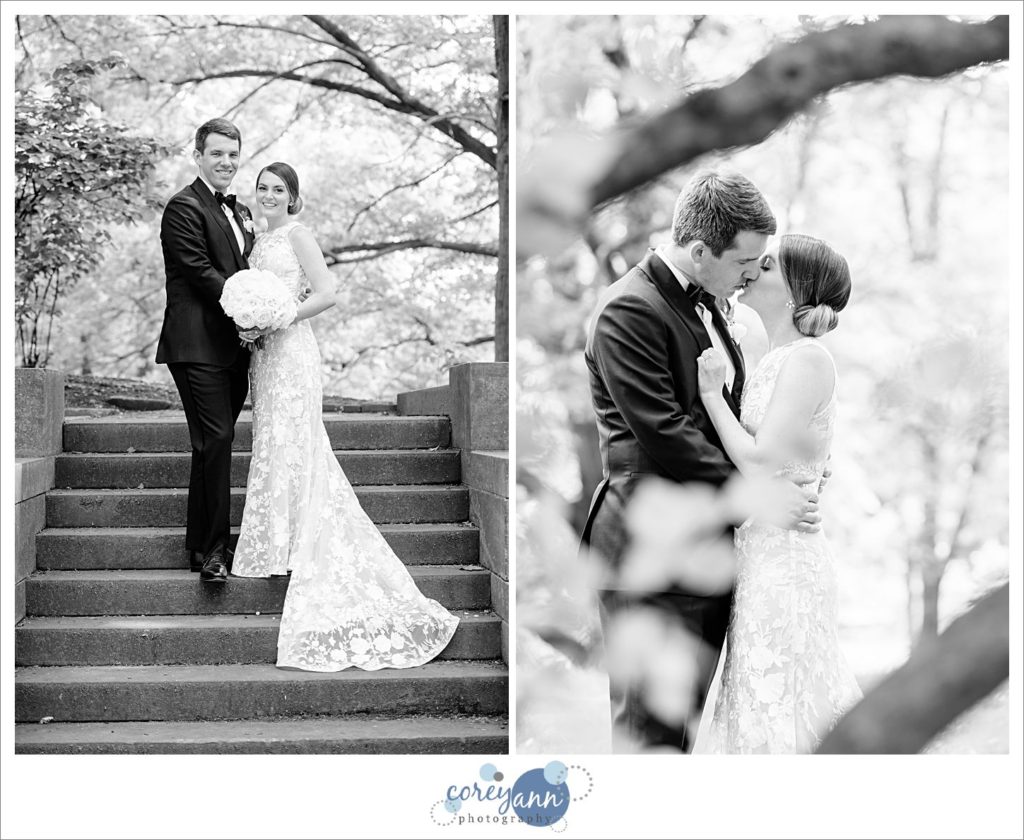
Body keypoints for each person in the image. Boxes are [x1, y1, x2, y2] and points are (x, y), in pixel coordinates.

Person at [581, 170, 821, 753]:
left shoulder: (714, 309)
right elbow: (667, 434)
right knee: (650, 733)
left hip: (707, 548)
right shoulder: (629, 312)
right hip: (649, 555)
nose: (752, 273)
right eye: (745, 261)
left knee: (685, 728)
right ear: (698, 250)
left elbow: (730, 419)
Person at [229, 162, 459, 671]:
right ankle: (275, 543)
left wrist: (279, 315)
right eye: (263, 188)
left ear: (293, 197)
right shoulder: (256, 242)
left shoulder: (298, 235)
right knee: (272, 442)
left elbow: (328, 293)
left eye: (279, 190)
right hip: (264, 356)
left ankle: (298, 542)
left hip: (292, 352)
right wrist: (251, 323)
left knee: (295, 442)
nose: (269, 195)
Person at [696, 233, 863, 752]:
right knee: (755, 698)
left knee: (782, 702)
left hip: (787, 562)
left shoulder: (809, 359)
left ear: (794, 291)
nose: (751, 269)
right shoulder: (773, 358)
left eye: (766, 265)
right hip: (759, 554)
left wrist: (710, 395)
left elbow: (761, 460)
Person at [156, 118, 255, 583]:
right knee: (217, 440)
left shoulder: (240, 213)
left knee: (207, 446)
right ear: (198, 155)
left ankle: (198, 545)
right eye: (217, 153)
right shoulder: (183, 207)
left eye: (233, 154)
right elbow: (198, 270)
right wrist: (249, 308)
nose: (226, 162)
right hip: (196, 344)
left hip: (234, 348)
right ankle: (217, 551)